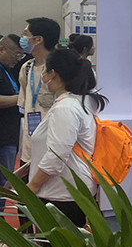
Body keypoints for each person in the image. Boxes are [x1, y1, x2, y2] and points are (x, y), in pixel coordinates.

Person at [27, 49, 108, 227]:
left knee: (57, 243)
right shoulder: (79, 102)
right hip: (69, 190)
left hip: (61, 193)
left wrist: (32, 186)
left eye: (45, 70)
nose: (43, 75)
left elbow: (57, 155)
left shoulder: (66, 108)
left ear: (53, 74)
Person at [17, 17, 61, 174]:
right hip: (29, 147)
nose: (23, 39)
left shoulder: (60, 70)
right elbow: (25, 105)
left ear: (38, 40)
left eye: (25, 34)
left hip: (53, 146)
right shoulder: (26, 68)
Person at [0, 35, 24, 185]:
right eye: (16, 54)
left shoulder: (7, 70)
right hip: (3, 137)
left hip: (9, 135)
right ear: (2, 49)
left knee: (6, 181)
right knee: (4, 182)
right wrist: (21, 98)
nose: (18, 59)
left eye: (21, 55)